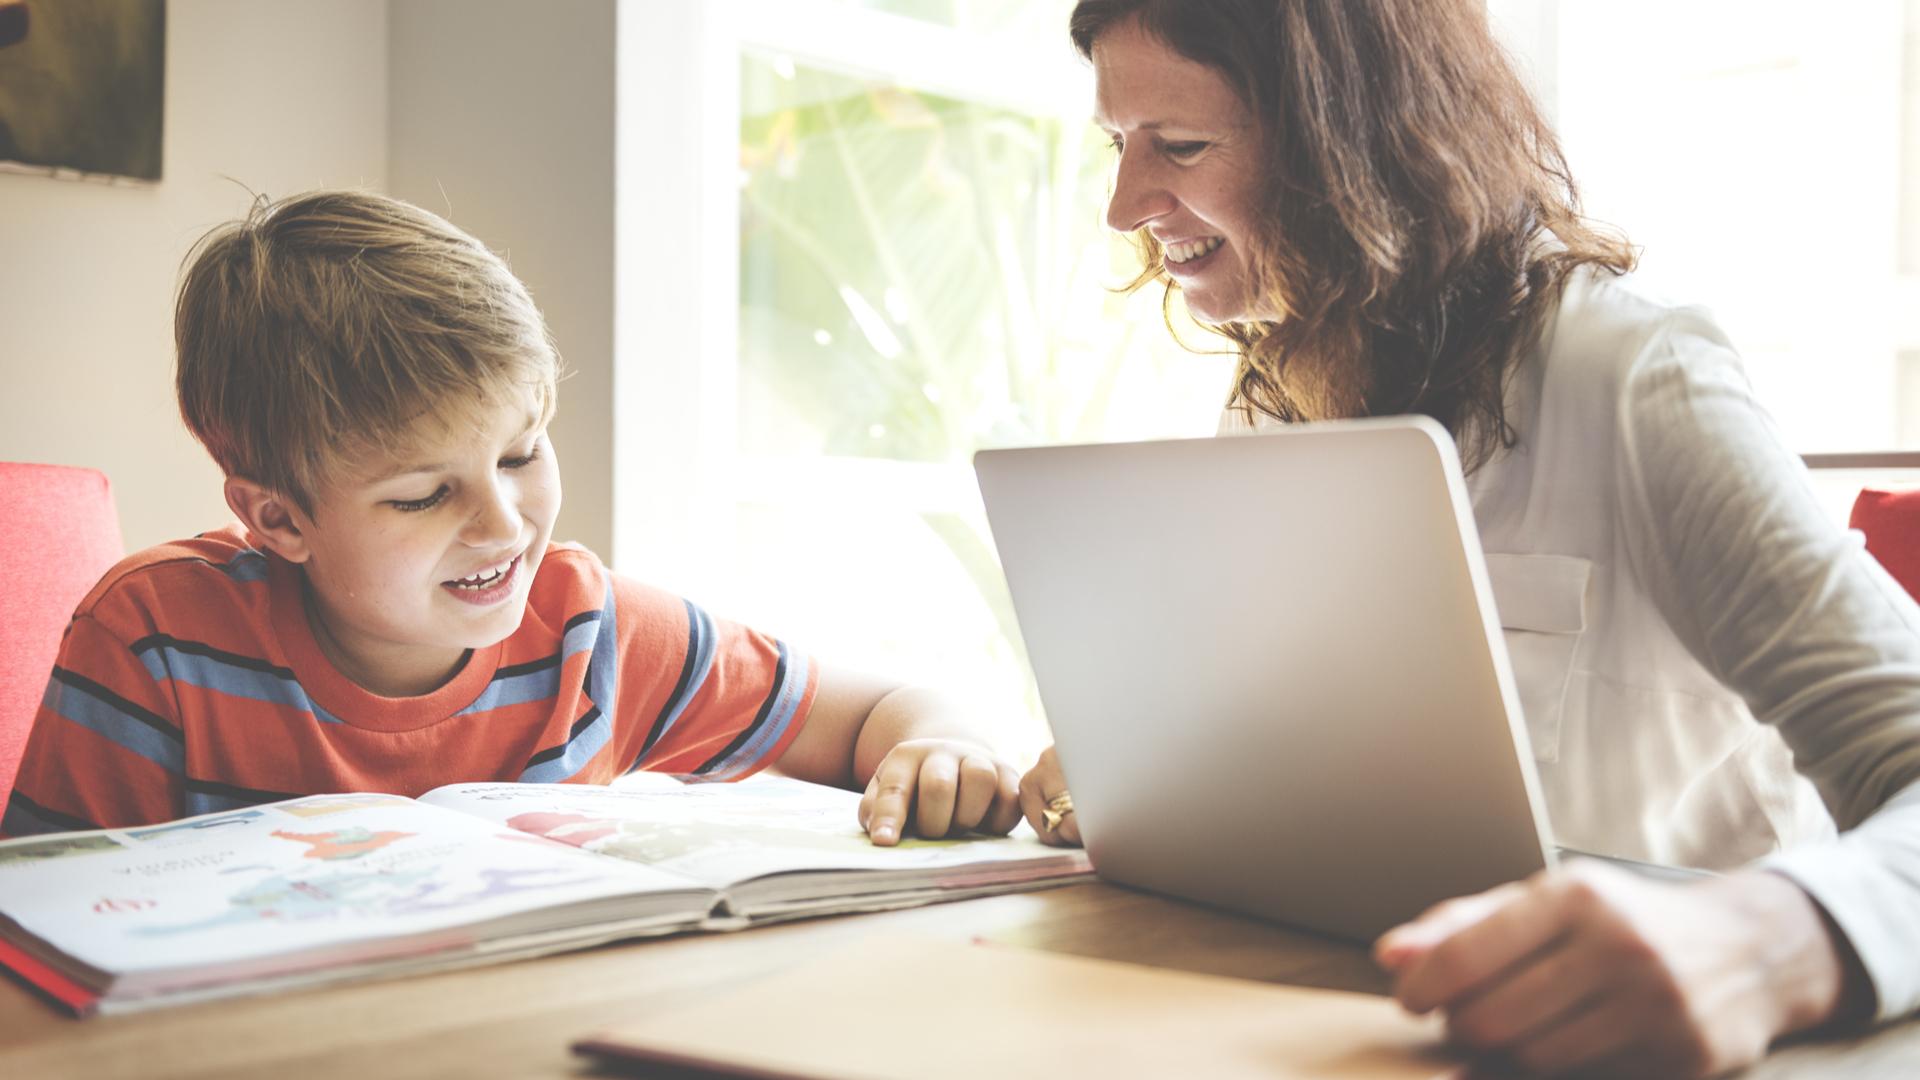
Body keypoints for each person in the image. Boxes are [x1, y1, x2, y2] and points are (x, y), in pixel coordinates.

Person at [1016, 1, 1920, 1075]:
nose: (1124, 207)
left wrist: (1770, 943)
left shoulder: (1632, 370)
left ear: (1348, 139)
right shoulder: (1273, 397)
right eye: (1120, 144)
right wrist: (1155, 782)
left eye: (1183, 145)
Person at [3, 190, 1023, 851]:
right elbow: (38, 931)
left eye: (521, 453)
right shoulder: (153, 644)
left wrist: (943, 746)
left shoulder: (589, 630)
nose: (505, 523)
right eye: (422, 494)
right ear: (279, 521)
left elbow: (888, 709)